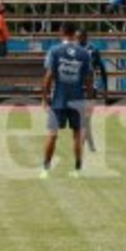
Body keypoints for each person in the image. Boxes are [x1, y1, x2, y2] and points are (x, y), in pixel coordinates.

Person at [41, 22, 92, 179]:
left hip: (59, 100)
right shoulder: (84, 53)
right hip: (78, 99)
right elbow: (89, 79)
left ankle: (45, 170)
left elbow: (48, 76)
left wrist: (44, 98)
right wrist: (89, 99)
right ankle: (77, 170)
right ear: (74, 33)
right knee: (78, 135)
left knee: (52, 134)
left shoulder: (55, 51)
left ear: (61, 32)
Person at [76, 28, 107, 153]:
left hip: (91, 87)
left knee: (86, 117)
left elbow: (102, 68)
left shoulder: (93, 50)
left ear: (85, 37)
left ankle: (85, 144)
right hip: (76, 87)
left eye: (79, 37)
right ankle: (88, 143)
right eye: (76, 37)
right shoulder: (72, 51)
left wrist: (105, 87)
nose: (77, 40)